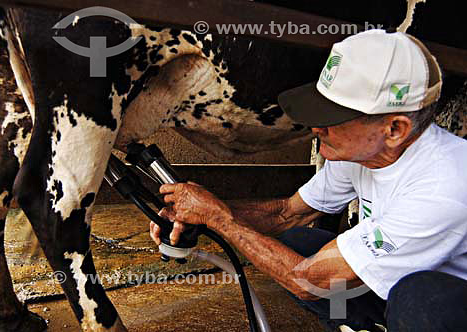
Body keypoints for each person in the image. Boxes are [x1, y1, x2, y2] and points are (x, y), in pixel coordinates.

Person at [150, 30, 467, 332]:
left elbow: (311, 282)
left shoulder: (445, 187)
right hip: (397, 283)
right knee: (295, 243)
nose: (316, 128)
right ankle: (361, 325)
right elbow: (286, 213)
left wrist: (219, 218)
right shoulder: (362, 153)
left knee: (419, 299)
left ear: (394, 129)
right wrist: (199, 214)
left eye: (332, 118)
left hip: (445, 303)